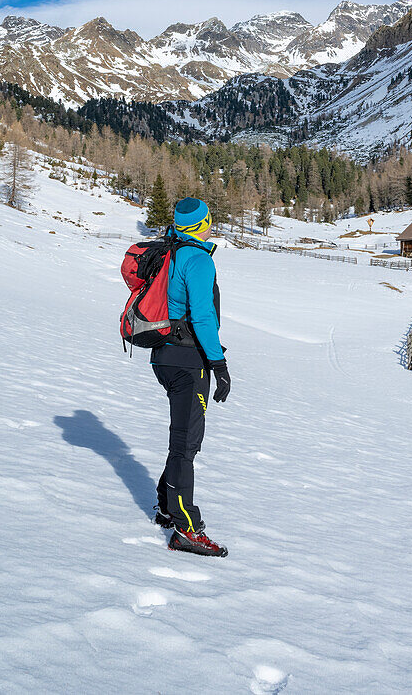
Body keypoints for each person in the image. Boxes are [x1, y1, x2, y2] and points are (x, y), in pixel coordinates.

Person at [151, 197, 231, 557]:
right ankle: (186, 528)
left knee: (183, 439)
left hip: (164, 357)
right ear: (203, 224)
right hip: (187, 361)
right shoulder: (197, 259)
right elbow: (203, 318)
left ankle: (169, 505)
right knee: (185, 445)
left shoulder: (170, 251)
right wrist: (219, 365)